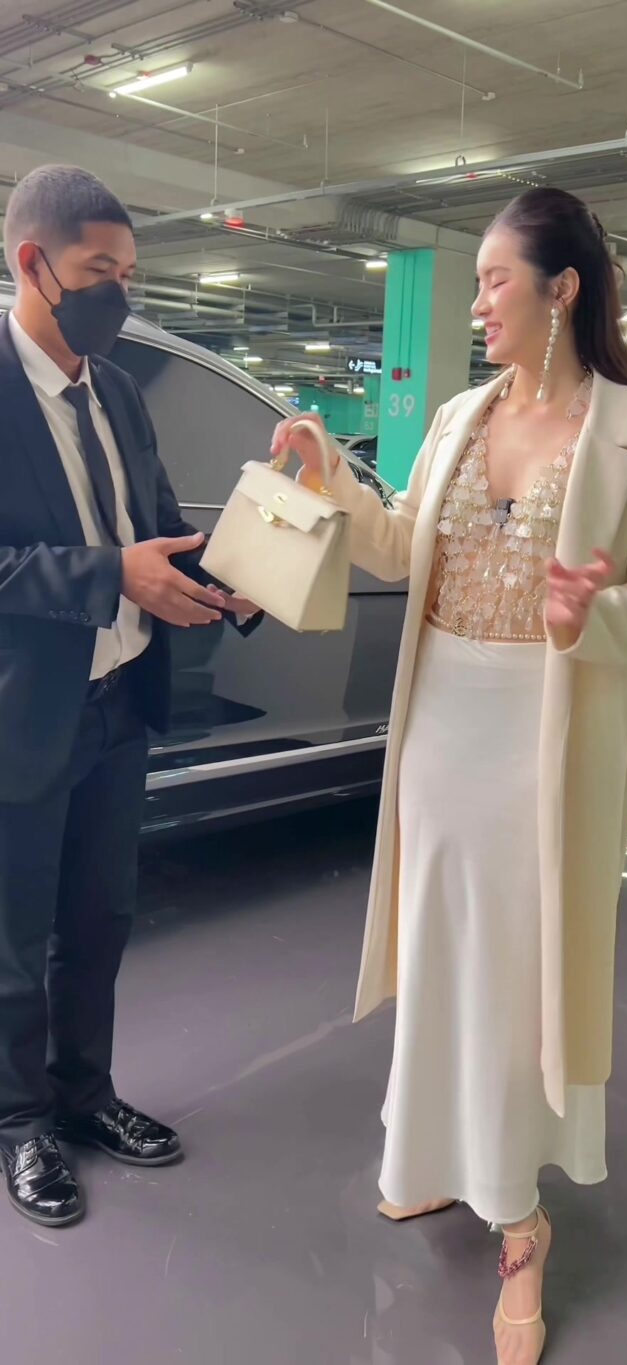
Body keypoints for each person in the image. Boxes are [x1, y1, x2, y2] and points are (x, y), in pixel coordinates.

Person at [272, 187, 627, 1364]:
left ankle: (520, 1222)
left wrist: (588, 612)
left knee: (515, 976)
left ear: (563, 290)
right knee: (439, 951)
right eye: (476, 286)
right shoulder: (460, 414)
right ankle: (433, 1154)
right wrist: (328, 474)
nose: (478, 303)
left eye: (495, 280)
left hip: (544, 738)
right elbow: (403, 542)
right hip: (441, 724)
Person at [0, 165, 261, 1229]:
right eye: (100, 269)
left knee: (99, 919)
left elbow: (155, 527)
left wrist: (233, 575)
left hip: (118, 704)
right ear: (33, 263)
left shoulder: (115, 393)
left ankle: (84, 1091)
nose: (119, 291)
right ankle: (20, 1122)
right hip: (23, 710)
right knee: (14, 933)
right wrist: (112, 575)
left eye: (129, 272)